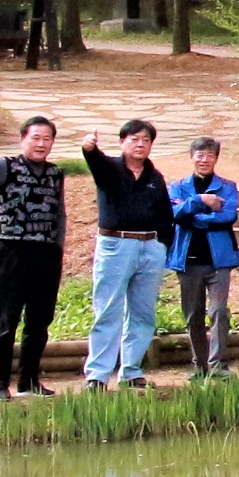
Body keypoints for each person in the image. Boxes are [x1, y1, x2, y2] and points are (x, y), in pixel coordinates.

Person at [0, 113, 68, 401]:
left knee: (39, 322)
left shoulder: (55, 173)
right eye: (36, 138)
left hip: (45, 254)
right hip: (11, 252)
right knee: (6, 321)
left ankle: (29, 380)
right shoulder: (5, 166)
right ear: (22, 139)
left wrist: (57, 249)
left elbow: (59, 213)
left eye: (47, 139)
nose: (41, 144)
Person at [80, 118, 172, 389]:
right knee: (108, 309)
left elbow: (165, 214)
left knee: (143, 312)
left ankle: (131, 370)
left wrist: (162, 245)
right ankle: (98, 375)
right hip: (115, 245)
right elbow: (94, 160)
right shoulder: (110, 168)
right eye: (134, 139)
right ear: (122, 142)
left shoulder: (155, 177)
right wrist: (89, 148)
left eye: (146, 140)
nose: (140, 144)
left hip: (150, 246)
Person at [167, 138, 239, 379]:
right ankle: (199, 365)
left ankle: (218, 364)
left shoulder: (227, 186)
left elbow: (227, 216)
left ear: (216, 158)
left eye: (210, 155)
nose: (204, 160)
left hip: (219, 261)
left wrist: (194, 217)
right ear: (192, 157)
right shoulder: (178, 187)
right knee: (193, 314)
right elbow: (173, 213)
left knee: (219, 311)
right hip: (188, 261)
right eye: (200, 155)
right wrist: (202, 201)